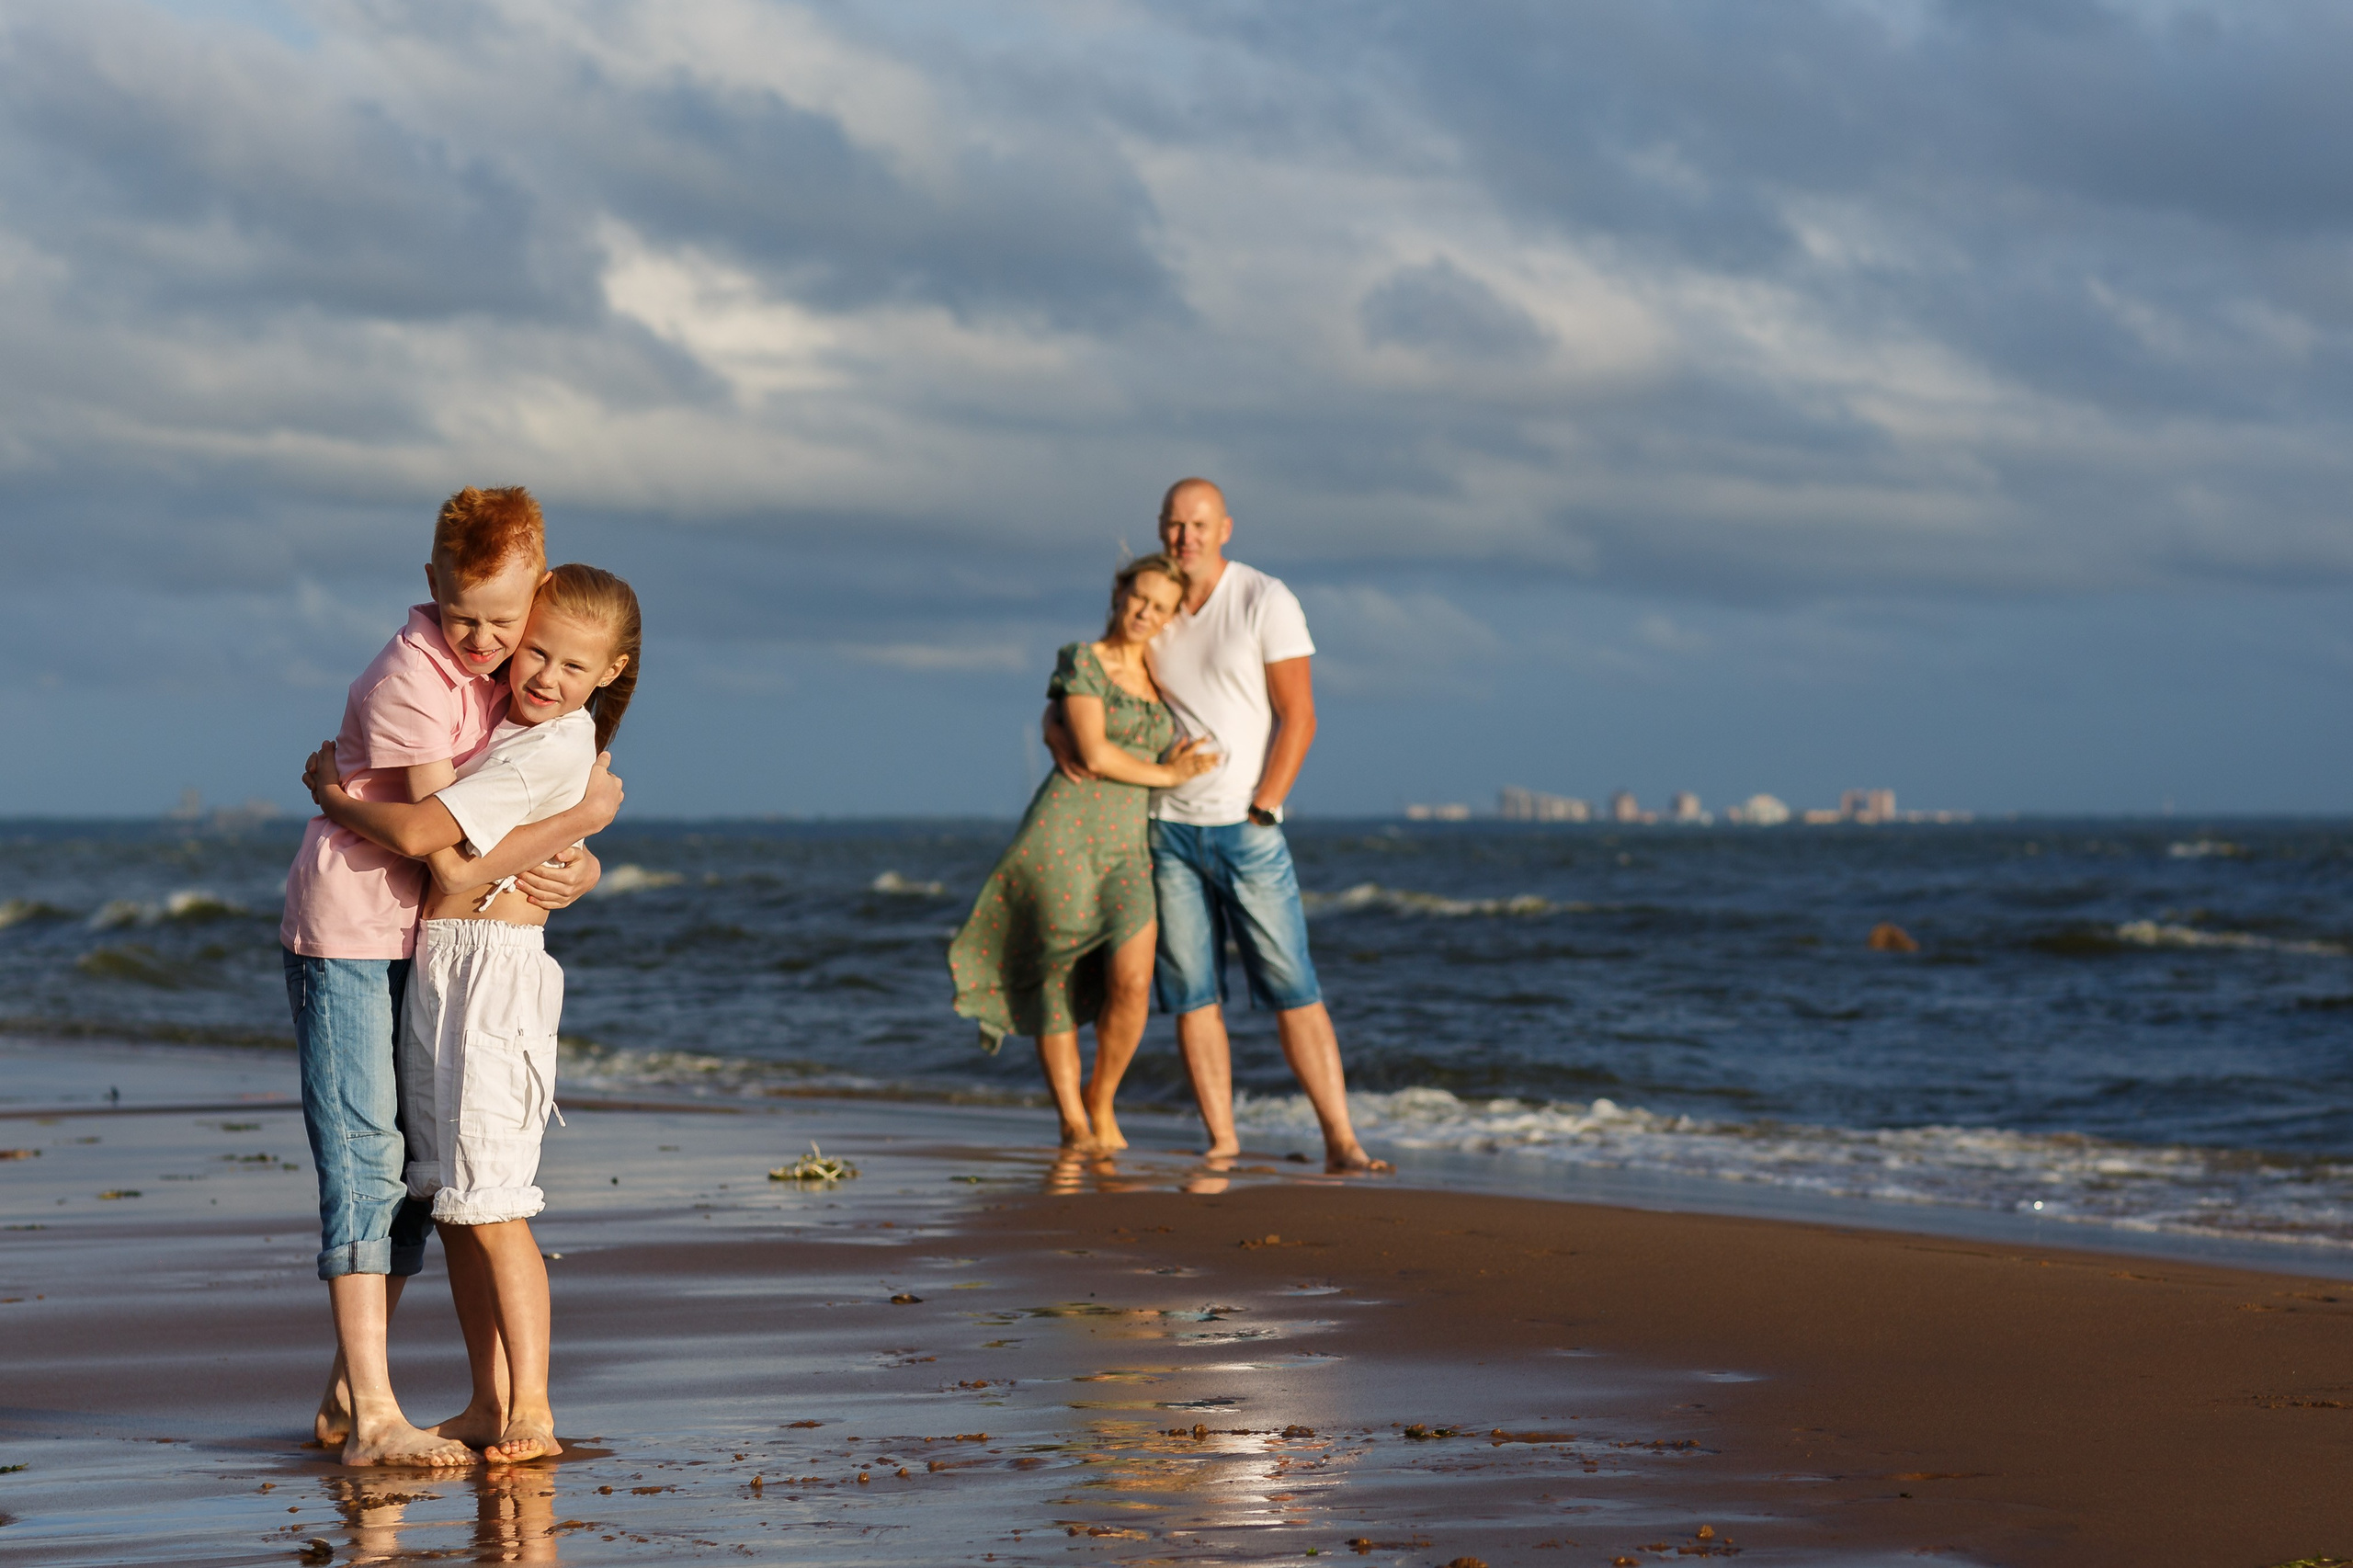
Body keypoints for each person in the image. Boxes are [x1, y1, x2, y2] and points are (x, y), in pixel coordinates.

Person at [283, 487, 621, 1467]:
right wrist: (582, 819)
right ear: (430, 585)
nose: (485, 640)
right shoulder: (414, 678)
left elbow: (523, 800)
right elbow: (446, 849)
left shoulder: (523, 678)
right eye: (465, 614)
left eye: (505, 621)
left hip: (430, 949)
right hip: (357, 930)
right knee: (370, 1168)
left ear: (540, 596)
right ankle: (377, 1413)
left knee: (423, 1187)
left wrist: (580, 860)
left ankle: (354, 1393)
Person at [1046, 479, 1388, 1174]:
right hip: (1163, 831)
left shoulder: (1266, 599)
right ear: (1162, 527)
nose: (1185, 538)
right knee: (1193, 996)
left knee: (1294, 987)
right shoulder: (1158, 605)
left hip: (1246, 827)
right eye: (1174, 525)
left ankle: (1341, 1141)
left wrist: (1266, 802)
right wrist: (1055, 730)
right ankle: (1223, 1142)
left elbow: (1302, 716)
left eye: (1199, 525)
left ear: (1225, 528)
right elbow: (1093, 674)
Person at [950, 554, 1219, 1152]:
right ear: (1119, 594)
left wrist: (1051, 721)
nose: (1145, 613)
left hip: (1127, 848)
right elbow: (1094, 755)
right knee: (1057, 980)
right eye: (1138, 598)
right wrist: (1169, 775)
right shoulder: (1082, 659)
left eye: (1160, 606)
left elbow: (1060, 717)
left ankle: (1100, 1099)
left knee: (1132, 982)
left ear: (1174, 616)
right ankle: (1073, 1122)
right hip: (1065, 834)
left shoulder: (1164, 677)